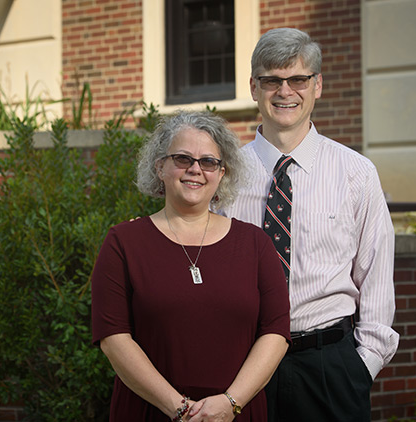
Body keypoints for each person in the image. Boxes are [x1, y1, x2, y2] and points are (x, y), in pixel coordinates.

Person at [221, 27, 399, 422]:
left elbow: (375, 275)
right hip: (239, 365)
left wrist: (360, 367)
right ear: (254, 87)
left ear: (317, 85)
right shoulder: (223, 174)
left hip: (328, 367)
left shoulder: (356, 173)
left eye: (298, 79)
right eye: (272, 80)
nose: (285, 92)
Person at [91, 110, 290, 422]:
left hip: (236, 413)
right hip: (151, 411)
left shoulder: (255, 244)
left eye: (209, 161)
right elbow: (114, 338)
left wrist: (230, 403)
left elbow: (276, 331)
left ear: (223, 172)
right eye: (183, 158)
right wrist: (180, 409)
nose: (195, 170)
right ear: (160, 167)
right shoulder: (123, 243)